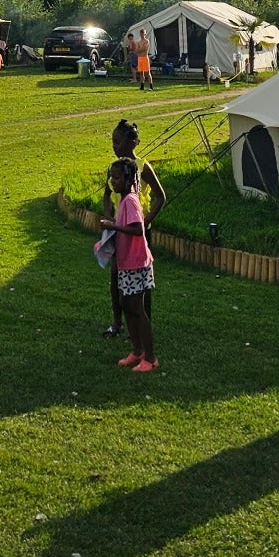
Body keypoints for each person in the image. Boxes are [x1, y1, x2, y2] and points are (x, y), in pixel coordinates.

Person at [100, 121, 166, 337]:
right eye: (112, 142)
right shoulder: (114, 167)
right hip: (118, 230)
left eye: (118, 142)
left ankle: (141, 323)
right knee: (116, 277)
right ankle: (118, 322)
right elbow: (107, 195)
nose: (114, 147)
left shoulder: (141, 166)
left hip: (138, 232)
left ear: (132, 142)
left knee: (140, 282)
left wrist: (145, 221)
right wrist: (109, 216)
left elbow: (160, 196)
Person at [109, 159, 157, 371]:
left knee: (137, 308)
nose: (113, 181)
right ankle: (137, 351)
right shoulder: (123, 200)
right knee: (126, 304)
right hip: (126, 263)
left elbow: (138, 229)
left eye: (117, 177)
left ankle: (150, 358)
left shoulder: (130, 201)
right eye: (112, 176)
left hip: (137, 263)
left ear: (128, 179)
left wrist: (114, 226)